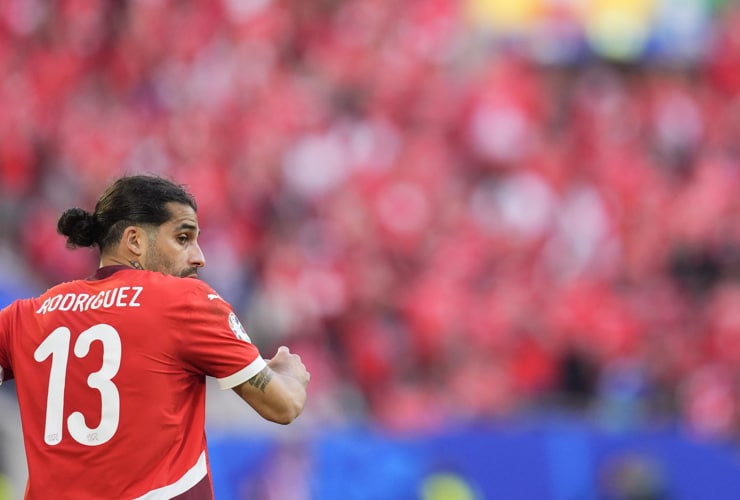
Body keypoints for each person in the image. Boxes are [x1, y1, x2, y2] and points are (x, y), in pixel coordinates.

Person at [0, 175, 310, 500]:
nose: (199, 257)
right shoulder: (183, 301)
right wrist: (291, 374)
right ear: (134, 240)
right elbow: (283, 406)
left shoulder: (29, 314)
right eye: (183, 237)